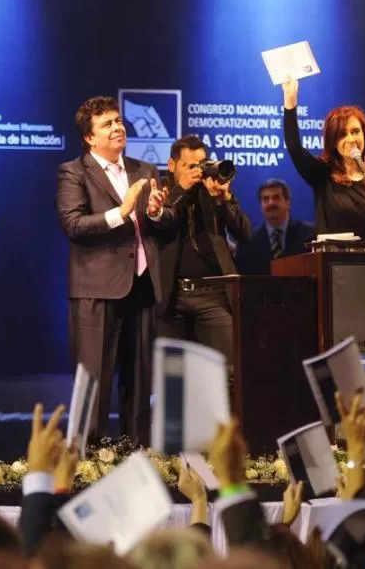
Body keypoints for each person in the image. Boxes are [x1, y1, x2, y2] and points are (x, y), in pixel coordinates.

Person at [55, 96, 172, 445]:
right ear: (89, 137)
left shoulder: (144, 170)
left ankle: (135, 454)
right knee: (94, 380)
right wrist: (120, 212)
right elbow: (72, 224)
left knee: (139, 382)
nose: (118, 127)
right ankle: (88, 462)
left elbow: (169, 225)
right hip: (97, 289)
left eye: (119, 121)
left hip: (141, 286)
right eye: (107, 124)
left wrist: (155, 213)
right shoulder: (74, 171)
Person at [156, 134, 251, 363]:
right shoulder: (161, 192)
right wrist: (181, 190)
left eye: (200, 165)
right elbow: (157, 224)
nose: (196, 172)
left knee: (230, 371)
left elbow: (245, 233)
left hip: (212, 295)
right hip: (171, 299)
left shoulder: (211, 192)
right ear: (171, 165)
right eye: (189, 167)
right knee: (173, 380)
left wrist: (224, 197)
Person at [282, 79, 365, 241]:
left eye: (355, 131)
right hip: (334, 263)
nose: (350, 139)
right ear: (333, 142)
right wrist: (290, 99)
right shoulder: (322, 174)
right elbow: (294, 147)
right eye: (342, 134)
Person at [235, 178, 313, 275]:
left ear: (288, 202)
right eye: (265, 199)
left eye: (276, 197)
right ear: (261, 206)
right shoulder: (248, 241)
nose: (271, 203)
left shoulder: (310, 235)